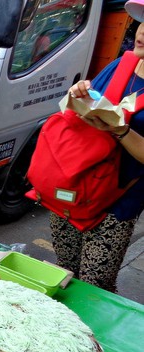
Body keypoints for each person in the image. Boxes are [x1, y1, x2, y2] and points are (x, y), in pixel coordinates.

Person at [56, 1, 144, 293]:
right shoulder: (122, 63)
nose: (143, 30)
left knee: (94, 287)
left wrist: (120, 130)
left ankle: (94, 337)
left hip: (115, 205)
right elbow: (85, 107)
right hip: (74, 188)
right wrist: (77, 93)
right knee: (66, 275)